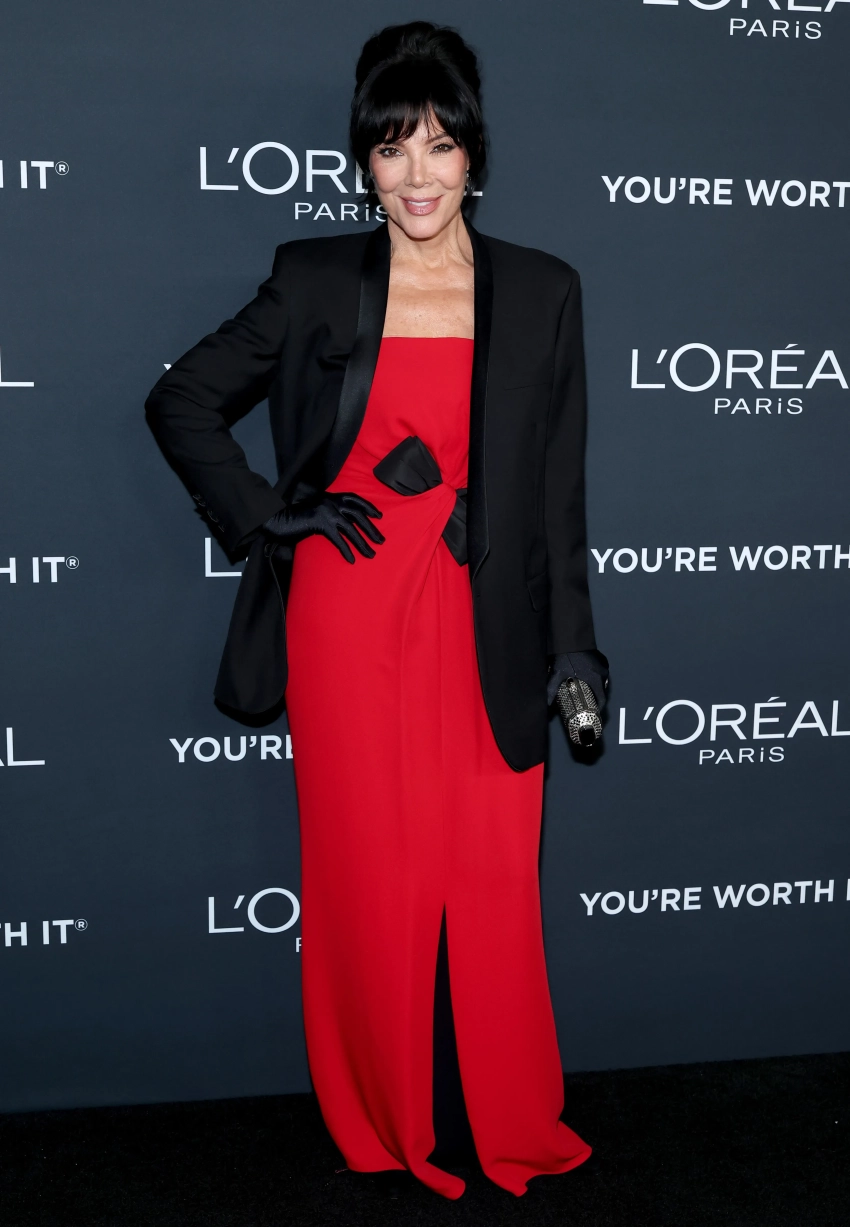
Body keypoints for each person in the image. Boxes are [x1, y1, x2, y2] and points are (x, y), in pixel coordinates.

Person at [145, 20, 608, 1200]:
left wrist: (575, 648)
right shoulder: (314, 280)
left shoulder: (544, 290)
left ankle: (512, 1124)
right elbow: (182, 399)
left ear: (474, 156)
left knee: (494, 878)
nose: (416, 175)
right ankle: (385, 1126)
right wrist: (273, 513)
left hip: (489, 614)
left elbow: (558, 495)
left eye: (439, 145)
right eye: (392, 147)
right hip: (349, 611)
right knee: (368, 879)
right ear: (362, 159)